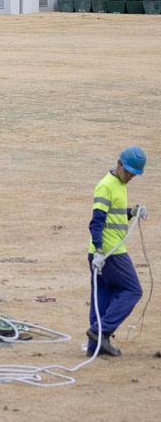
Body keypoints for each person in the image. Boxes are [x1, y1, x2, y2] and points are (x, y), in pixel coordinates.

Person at [86, 146, 147, 358]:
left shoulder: (119, 184)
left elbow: (115, 216)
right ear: (118, 163)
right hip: (110, 253)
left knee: (102, 297)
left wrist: (131, 212)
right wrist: (100, 251)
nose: (130, 176)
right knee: (133, 290)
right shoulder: (106, 186)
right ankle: (99, 331)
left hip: (104, 254)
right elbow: (96, 222)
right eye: (128, 171)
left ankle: (95, 347)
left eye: (133, 174)